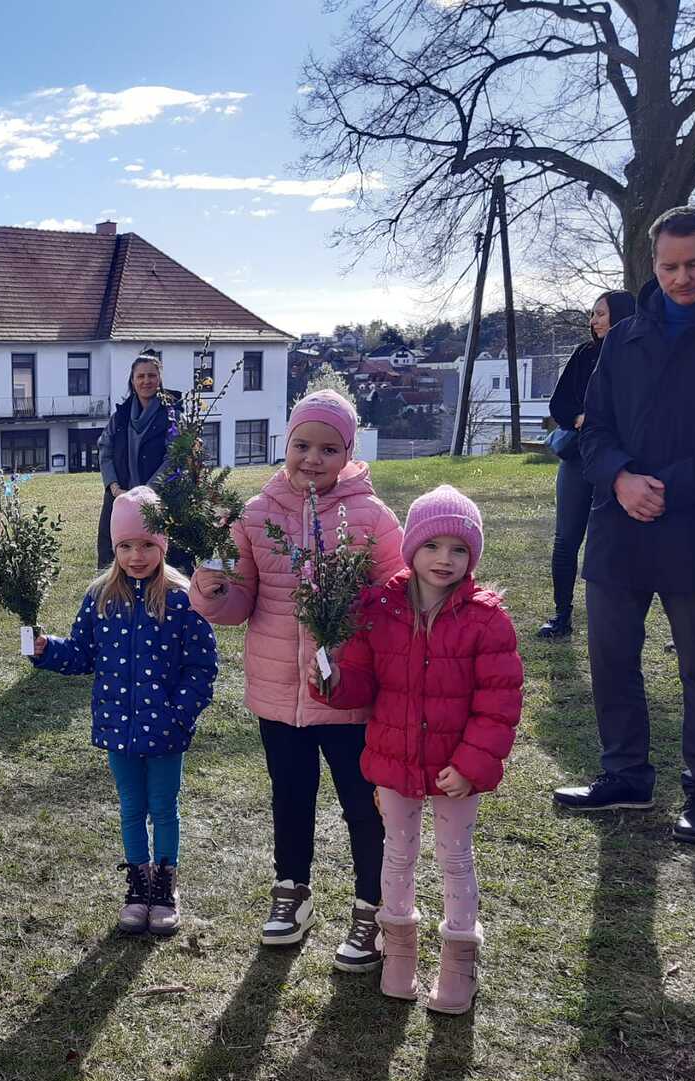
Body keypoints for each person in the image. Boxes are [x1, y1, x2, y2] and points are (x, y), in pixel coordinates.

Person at [554, 207, 695, 846]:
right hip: (619, 525)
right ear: (654, 263)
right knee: (611, 658)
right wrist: (620, 478)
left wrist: (668, 488)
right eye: (670, 266)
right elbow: (594, 429)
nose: (681, 278)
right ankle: (625, 775)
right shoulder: (624, 338)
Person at [190, 389, 404, 968]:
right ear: (285, 444)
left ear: (349, 454)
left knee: (363, 804)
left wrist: (359, 639)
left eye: (329, 449)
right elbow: (240, 602)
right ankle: (292, 892)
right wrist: (212, 589)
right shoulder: (254, 514)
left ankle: (373, 907)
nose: (313, 458)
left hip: (349, 697)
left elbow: (398, 594)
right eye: (302, 445)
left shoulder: (371, 517)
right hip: (278, 692)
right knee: (290, 796)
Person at [314, 486, 522, 1015]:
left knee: (455, 857)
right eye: (432, 546)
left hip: (456, 769)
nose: (444, 559)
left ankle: (459, 962)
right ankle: (399, 954)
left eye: (458, 549)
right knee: (398, 853)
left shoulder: (487, 620)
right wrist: (333, 683)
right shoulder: (381, 608)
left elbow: (499, 704)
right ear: (411, 548)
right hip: (395, 759)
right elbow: (364, 680)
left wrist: (471, 765)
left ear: (472, 555)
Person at [31, 486, 218, 936]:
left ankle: (165, 888)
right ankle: (138, 886)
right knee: (132, 807)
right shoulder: (101, 597)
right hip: (119, 728)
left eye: (147, 544)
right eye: (126, 546)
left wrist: (179, 714)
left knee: (164, 807)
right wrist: (46, 649)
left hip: (166, 730)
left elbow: (201, 667)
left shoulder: (183, 599)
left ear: (163, 545)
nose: (137, 556)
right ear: (114, 547)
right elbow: (82, 654)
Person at [537, 289, 636, 641]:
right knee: (566, 538)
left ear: (621, 316)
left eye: (600, 314)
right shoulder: (584, 354)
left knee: (613, 542)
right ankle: (561, 615)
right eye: (592, 315)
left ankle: (613, 620)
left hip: (621, 462)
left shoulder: (639, 355)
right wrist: (581, 418)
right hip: (579, 457)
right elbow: (559, 405)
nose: (593, 321)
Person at [97, 350, 182, 568]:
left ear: (159, 379)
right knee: (114, 558)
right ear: (132, 381)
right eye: (140, 376)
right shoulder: (121, 415)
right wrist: (114, 488)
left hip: (160, 499)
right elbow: (105, 450)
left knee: (157, 558)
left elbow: (174, 457)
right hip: (120, 497)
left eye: (151, 375)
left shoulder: (171, 415)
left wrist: (147, 493)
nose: (146, 381)